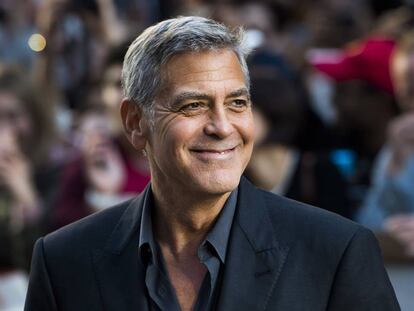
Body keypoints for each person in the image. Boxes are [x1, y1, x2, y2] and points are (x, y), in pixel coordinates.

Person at [24, 16, 399, 311]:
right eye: (193, 105)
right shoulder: (64, 261)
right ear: (136, 123)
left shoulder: (336, 254)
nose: (222, 127)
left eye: (237, 103)